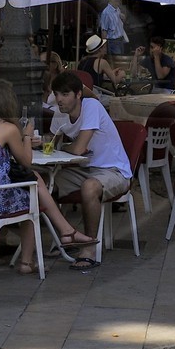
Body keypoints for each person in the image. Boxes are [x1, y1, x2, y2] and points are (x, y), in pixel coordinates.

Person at [0, 80, 96, 272]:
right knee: (31, 200)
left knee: (32, 180)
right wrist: (25, 136)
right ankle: (29, 260)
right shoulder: (7, 128)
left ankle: (65, 232)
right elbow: (26, 160)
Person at [47, 71, 132, 270]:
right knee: (42, 184)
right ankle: (61, 237)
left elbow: (78, 149)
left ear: (78, 95)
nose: (59, 99)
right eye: (57, 94)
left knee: (89, 187)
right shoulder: (60, 113)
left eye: (65, 94)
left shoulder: (91, 106)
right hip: (84, 168)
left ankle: (89, 247)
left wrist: (62, 147)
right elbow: (50, 144)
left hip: (114, 170)